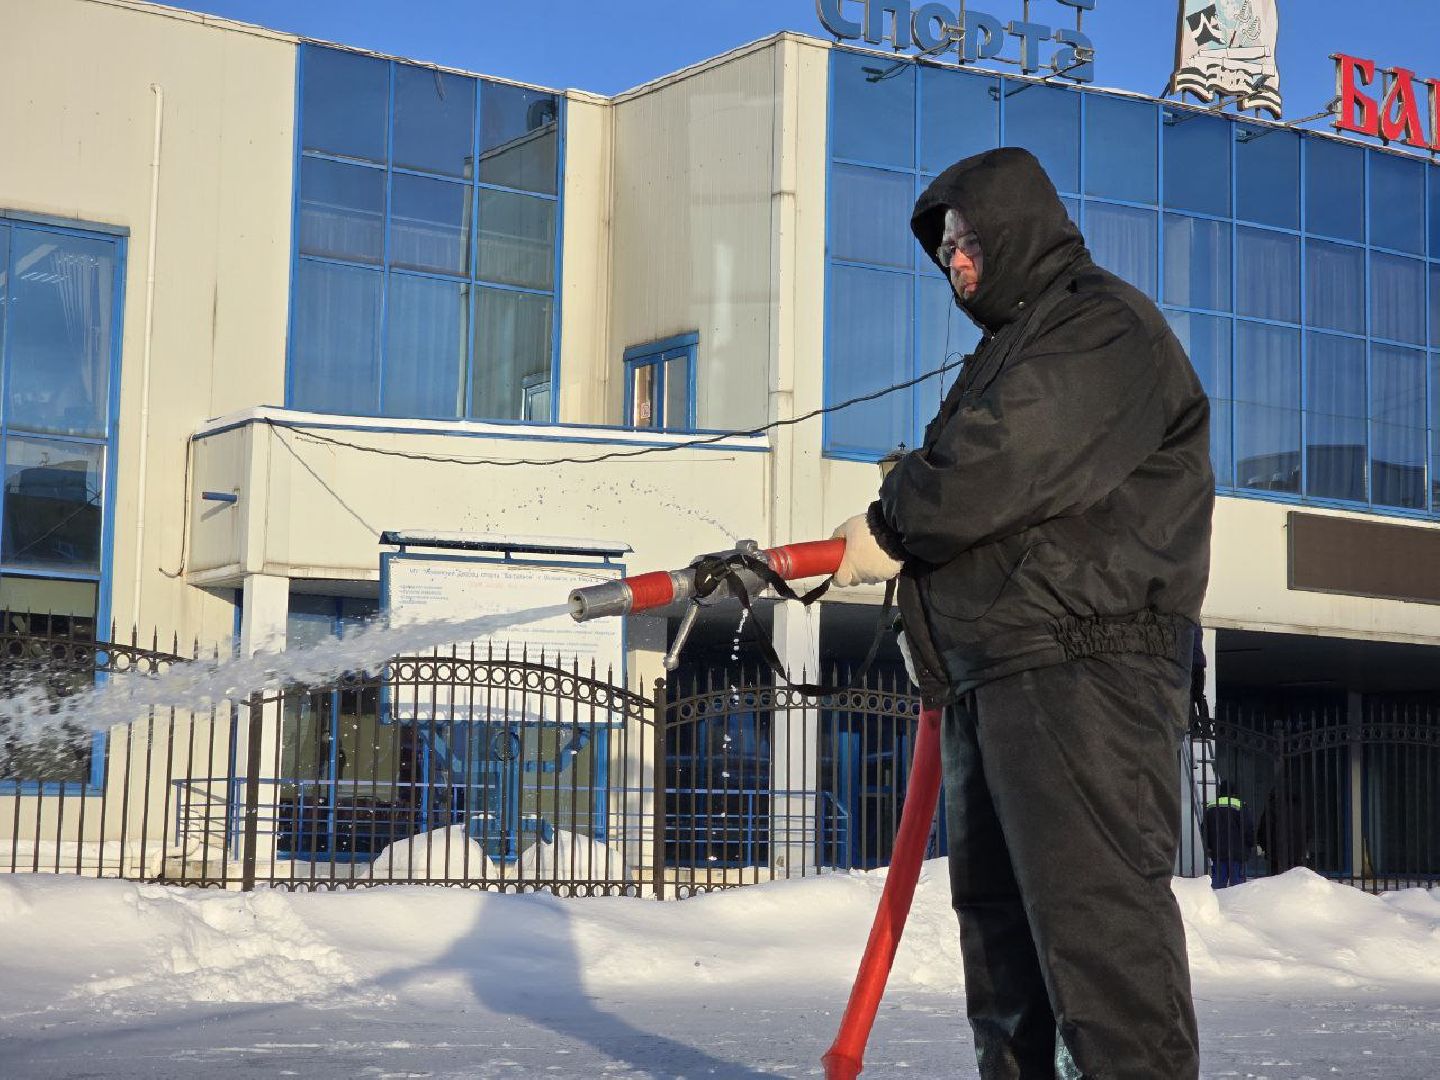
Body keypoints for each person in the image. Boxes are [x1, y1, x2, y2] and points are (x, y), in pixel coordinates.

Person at [829, 147, 1213, 1079]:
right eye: (945, 247)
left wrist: (894, 517)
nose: (952, 262)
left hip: (1085, 671)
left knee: (1097, 942)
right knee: (1004, 963)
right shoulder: (1013, 348)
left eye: (965, 240)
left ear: (1013, 231)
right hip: (999, 674)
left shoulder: (1100, 326)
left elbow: (1001, 462)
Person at [1203, 781, 1257, 887]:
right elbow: (1247, 828)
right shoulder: (1240, 805)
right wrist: (1251, 844)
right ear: (1234, 792)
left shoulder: (1212, 806)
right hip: (1237, 852)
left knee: (1218, 884)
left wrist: (1209, 846)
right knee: (1237, 886)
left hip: (1218, 851)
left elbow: (1205, 828)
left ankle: (1217, 902)